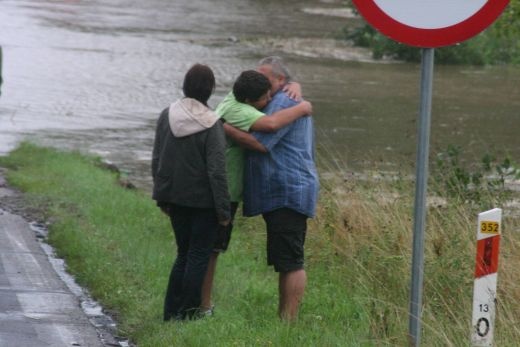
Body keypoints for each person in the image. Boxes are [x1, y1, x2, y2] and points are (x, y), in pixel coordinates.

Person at [199, 69, 311, 314]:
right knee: (210, 249)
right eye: (265, 98)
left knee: (210, 249)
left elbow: (268, 77)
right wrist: (303, 107)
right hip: (220, 190)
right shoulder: (238, 110)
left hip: (225, 189)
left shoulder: (236, 94)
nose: (270, 101)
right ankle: (201, 307)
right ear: (250, 101)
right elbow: (268, 129)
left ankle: (199, 305)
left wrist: (295, 83)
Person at [151, 63, 230, 321]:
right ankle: (188, 313)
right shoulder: (212, 123)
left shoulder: (167, 115)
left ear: (185, 85)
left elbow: (157, 157)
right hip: (204, 202)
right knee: (198, 255)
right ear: (210, 90)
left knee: (183, 253)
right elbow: (217, 171)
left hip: (175, 197)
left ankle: (170, 313)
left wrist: (161, 195)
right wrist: (223, 211)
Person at [243, 56, 319, 321]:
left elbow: (260, 142)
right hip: (285, 190)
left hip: (289, 190)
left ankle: (289, 322)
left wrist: (225, 129)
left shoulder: (284, 102)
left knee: (291, 261)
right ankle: (284, 319)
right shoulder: (275, 99)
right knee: (285, 261)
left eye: (265, 78)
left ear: (280, 80)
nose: (261, 82)